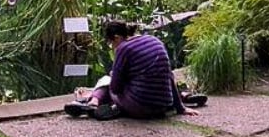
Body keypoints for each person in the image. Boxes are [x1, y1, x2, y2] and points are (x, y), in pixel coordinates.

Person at [66, 21, 200, 120]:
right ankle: (183, 96)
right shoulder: (154, 40)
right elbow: (169, 76)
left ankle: (94, 102)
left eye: (111, 43)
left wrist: (115, 76)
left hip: (141, 109)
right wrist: (181, 108)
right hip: (163, 106)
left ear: (117, 38)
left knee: (108, 81)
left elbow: (116, 88)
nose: (112, 47)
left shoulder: (124, 48)